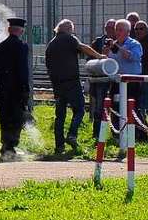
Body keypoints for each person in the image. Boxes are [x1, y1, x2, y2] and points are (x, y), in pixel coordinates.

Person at [44, 19, 105, 156]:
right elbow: (83, 47)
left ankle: (59, 146)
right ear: (68, 29)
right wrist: (99, 56)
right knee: (79, 109)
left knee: (60, 116)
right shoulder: (69, 38)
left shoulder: (51, 44)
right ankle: (72, 134)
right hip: (71, 82)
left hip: (57, 84)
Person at [0, 17, 30, 161]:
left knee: (5, 117)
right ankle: (11, 147)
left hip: (2, 89)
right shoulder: (22, 46)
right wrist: (25, 89)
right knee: (16, 118)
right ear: (21, 31)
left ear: (9, 30)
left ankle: (5, 146)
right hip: (17, 89)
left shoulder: (0, 47)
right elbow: (23, 70)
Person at [108, 19, 144, 148]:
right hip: (117, 82)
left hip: (132, 82)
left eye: (120, 30)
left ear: (128, 32)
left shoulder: (134, 44)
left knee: (133, 108)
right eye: (116, 29)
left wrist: (117, 47)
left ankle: (139, 135)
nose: (117, 32)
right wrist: (107, 50)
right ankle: (117, 134)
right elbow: (109, 61)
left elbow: (133, 57)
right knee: (115, 107)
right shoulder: (113, 45)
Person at [89, 19, 117, 139]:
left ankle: (116, 134)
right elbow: (89, 60)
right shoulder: (97, 42)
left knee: (117, 107)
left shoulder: (120, 42)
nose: (110, 30)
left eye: (112, 28)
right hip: (101, 80)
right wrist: (101, 54)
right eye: (108, 28)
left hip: (116, 80)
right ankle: (97, 135)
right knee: (99, 108)